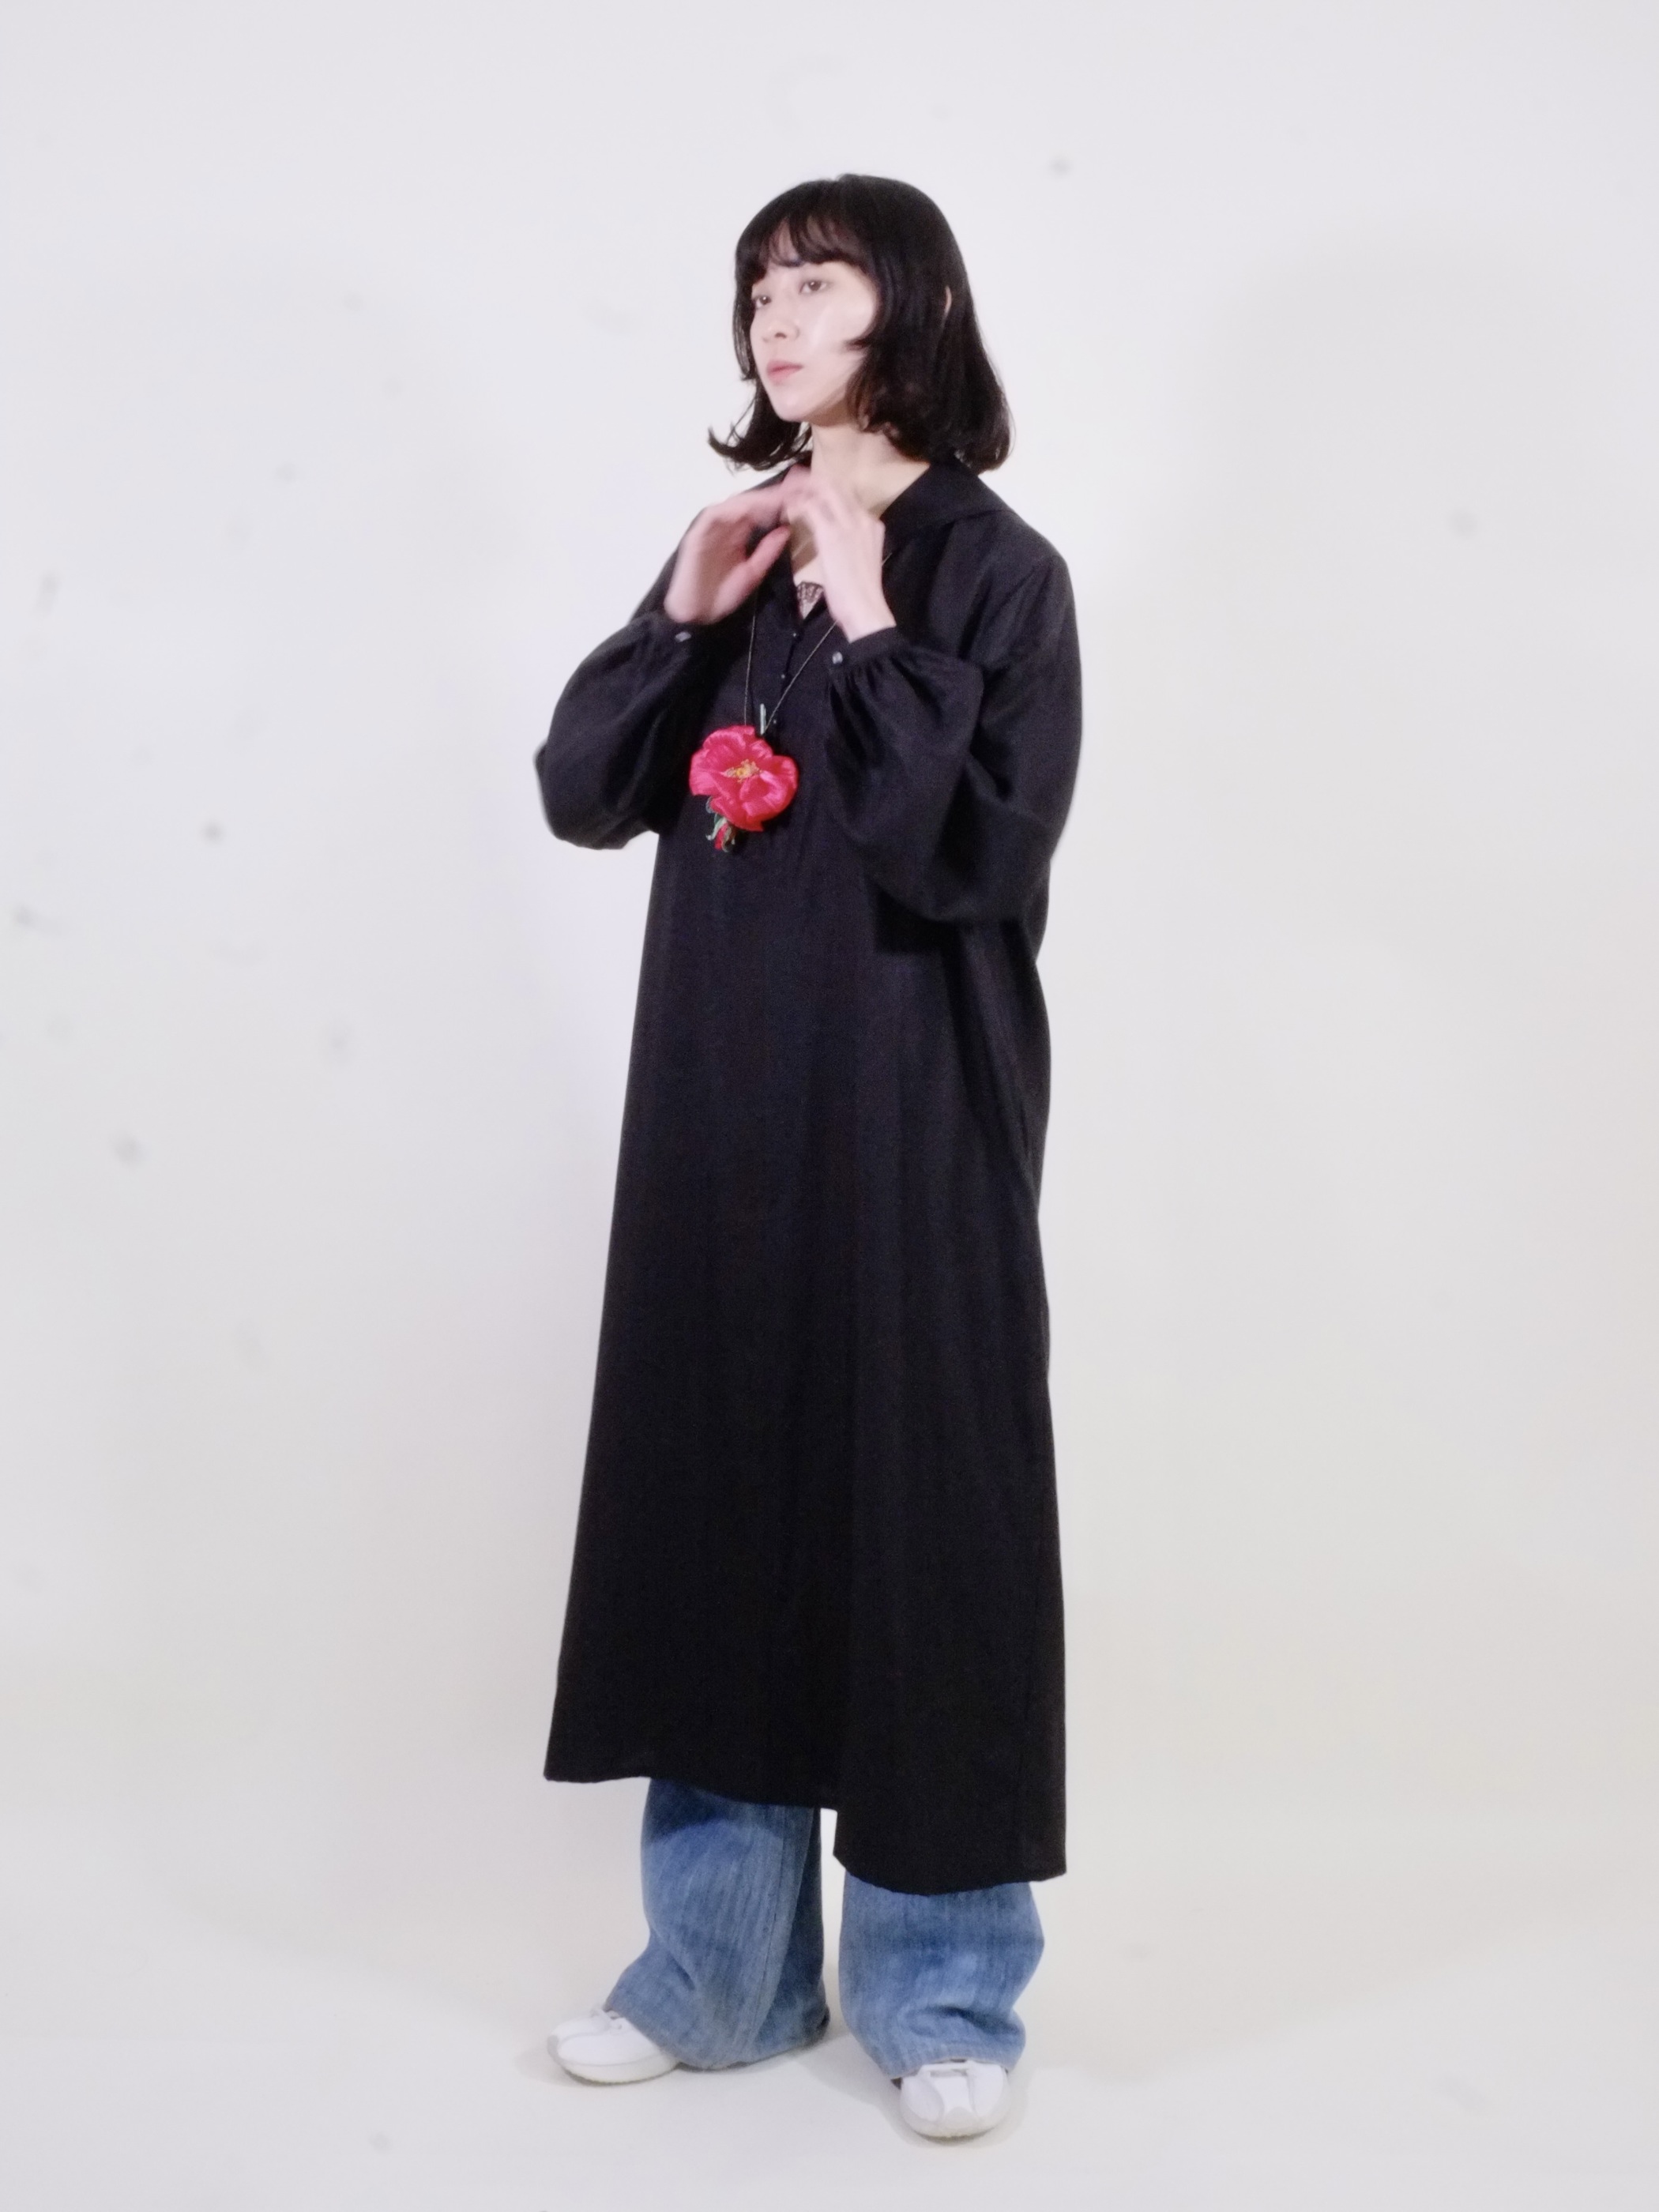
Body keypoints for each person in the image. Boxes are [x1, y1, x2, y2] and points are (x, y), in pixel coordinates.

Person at [533, 174, 1082, 2142]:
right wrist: (683, 612)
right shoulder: (741, 547)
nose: (776, 317)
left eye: (818, 281)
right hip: (721, 1115)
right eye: (758, 286)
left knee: (927, 1522)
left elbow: (971, 853)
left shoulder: (999, 572)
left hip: (913, 1121)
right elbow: (583, 792)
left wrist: (868, 619)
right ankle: (722, 1973)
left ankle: (945, 1988)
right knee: (719, 1507)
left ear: (907, 305)